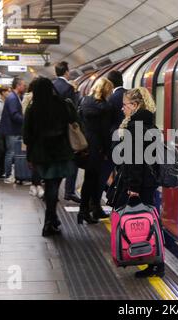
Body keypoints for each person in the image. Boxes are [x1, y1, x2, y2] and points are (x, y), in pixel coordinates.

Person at [113, 87, 163, 278]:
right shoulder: (148, 122)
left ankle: (155, 262)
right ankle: (152, 260)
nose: (122, 109)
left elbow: (135, 159)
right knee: (151, 221)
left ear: (135, 105)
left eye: (125, 105)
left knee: (147, 223)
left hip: (140, 183)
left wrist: (133, 188)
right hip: (147, 181)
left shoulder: (136, 126)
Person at [23, 77, 78, 236]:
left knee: (49, 184)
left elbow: (27, 136)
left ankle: (51, 220)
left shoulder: (33, 108)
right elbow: (75, 122)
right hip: (61, 152)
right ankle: (50, 220)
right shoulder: (63, 104)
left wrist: (30, 156)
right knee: (54, 185)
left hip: (41, 154)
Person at [77, 77, 114, 224]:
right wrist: (106, 150)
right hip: (97, 147)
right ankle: (84, 211)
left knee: (88, 180)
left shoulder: (85, 101)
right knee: (91, 181)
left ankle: (84, 211)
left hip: (85, 144)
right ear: (106, 90)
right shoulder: (105, 107)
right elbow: (105, 131)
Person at [53, 61, 81, 204]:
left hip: (52, 131)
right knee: (72, 162)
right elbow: (73, 109)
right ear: (66, 72)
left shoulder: (51, 86)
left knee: (55, 163)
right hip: (66, 131)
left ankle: (53, 192)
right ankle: (69, 191)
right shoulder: (68, 88)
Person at [102, 70, 127, 198]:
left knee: (109, 169)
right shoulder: (130, 95)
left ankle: (113, 194)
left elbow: (107, 121)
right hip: (130, 139)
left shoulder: (111, 98)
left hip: (115, 139)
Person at [0, 77, 26, 184]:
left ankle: (11, 174)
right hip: (11, 130)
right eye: (23, 85)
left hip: (14, 130)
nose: (25, 87)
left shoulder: (15, 97)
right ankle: (8, 175)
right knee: (10, 153)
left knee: (13, 153)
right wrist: (26, 120)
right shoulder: (13, 98)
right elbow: (14, 115)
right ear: (18, 86)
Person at [22, 78, 44, 199]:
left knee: (36, 161)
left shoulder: (42, 100)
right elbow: (25, 115)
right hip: (33, 135)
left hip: (34, 136)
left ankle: (36, 183)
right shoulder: (29, 98)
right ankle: (36, 183)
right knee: (35, 161)